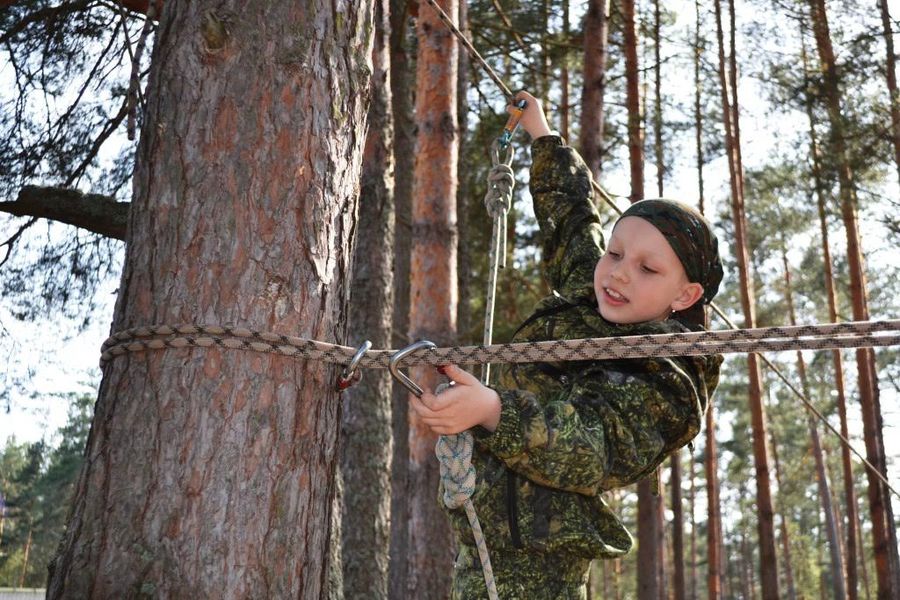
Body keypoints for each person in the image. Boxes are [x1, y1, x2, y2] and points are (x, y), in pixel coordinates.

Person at [410, 91, 724, 599]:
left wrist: (493, 409)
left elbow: (589, 446)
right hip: (483, 541)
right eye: (617, 253)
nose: (619, 272)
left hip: (546, 567)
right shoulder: (593, 299)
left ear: (685, 294)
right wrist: (543, 135)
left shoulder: (668, 380)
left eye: (647, 268)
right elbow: (572, 220)